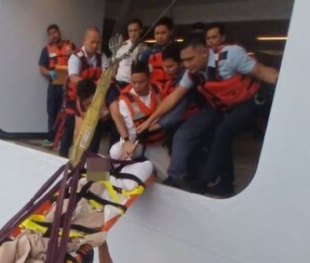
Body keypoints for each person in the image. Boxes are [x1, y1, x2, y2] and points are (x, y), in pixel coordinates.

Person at [139, 33, 279, 196]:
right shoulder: (192, 73)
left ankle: (204, 181)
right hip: (227, 106)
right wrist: (149, 121)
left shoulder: (230, 56)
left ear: (204, 52)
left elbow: (263, 72)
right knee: (218, 137)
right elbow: (173, 98)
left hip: (254, 100)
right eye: (183, 60)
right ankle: (226, 185)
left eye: (190, 59)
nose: (186, 65)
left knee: (223, 132)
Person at [109, 62, 170, 179]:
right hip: (136, 144)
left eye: (141, 82)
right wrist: (127, 143)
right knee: (114, 151)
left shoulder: (159, 91)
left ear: (149, 79)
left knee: (167, 176)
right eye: (134, 82)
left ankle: (142, 174)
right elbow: (125, 126)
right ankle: (94, 176)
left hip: (155, 145)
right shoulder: (125, 100)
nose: (137, 86)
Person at [59, 78, 119, 157]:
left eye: (90, 103)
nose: (89, 107)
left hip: (114, 120)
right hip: (96, 122)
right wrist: (76, 152)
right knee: (89, 147)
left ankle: (114, 163)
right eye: (86, 104)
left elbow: (118, 117)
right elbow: (78, 131)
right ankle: (94, 166)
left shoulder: (109, 92)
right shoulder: (80, 105)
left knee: (115, 149)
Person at [39, 24, 75, 147]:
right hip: (54, 86)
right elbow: (41, 67)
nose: (53, 35)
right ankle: (51, 138)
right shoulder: (47, 49)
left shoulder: (70, 45)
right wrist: (49, 72)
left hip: (69, 85)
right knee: (52, 112)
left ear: (59, 32)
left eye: (55, 32)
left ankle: (63, 140)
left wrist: (72, 53)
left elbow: (78, 60)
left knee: (67, 113)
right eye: (50, 34)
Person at [139, 17, 175, 87]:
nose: (160, 36)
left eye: (163, 33)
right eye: (157, 33)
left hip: (173, 88)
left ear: (171, 32)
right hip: (154, 89)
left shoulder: (179, 51)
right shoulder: (148, 53)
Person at [114, 19, 147, 89]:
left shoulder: (144, 48)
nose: (133, 34)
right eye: (130, 31)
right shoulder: (122, 46)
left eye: (135, 30)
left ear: (141, 30)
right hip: (118, 82)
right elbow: (114, 64)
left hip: (133, 84)